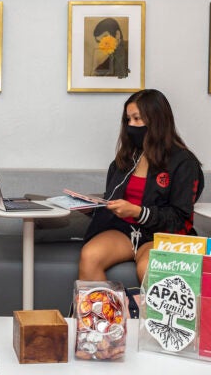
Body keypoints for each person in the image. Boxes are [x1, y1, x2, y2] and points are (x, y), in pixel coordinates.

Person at [78, 89, 203, 284]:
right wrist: (96, 206)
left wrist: (138, 211)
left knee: (148, 267)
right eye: (128, 120)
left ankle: (149, 315)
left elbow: (179, 217)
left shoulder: (184, 162)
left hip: (161, 235)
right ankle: (106, 313)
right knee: (90, 255)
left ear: (157, 120)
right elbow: (114, 196)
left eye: (137, 119)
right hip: (124, 231)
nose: (131, 126)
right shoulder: (126, 159)